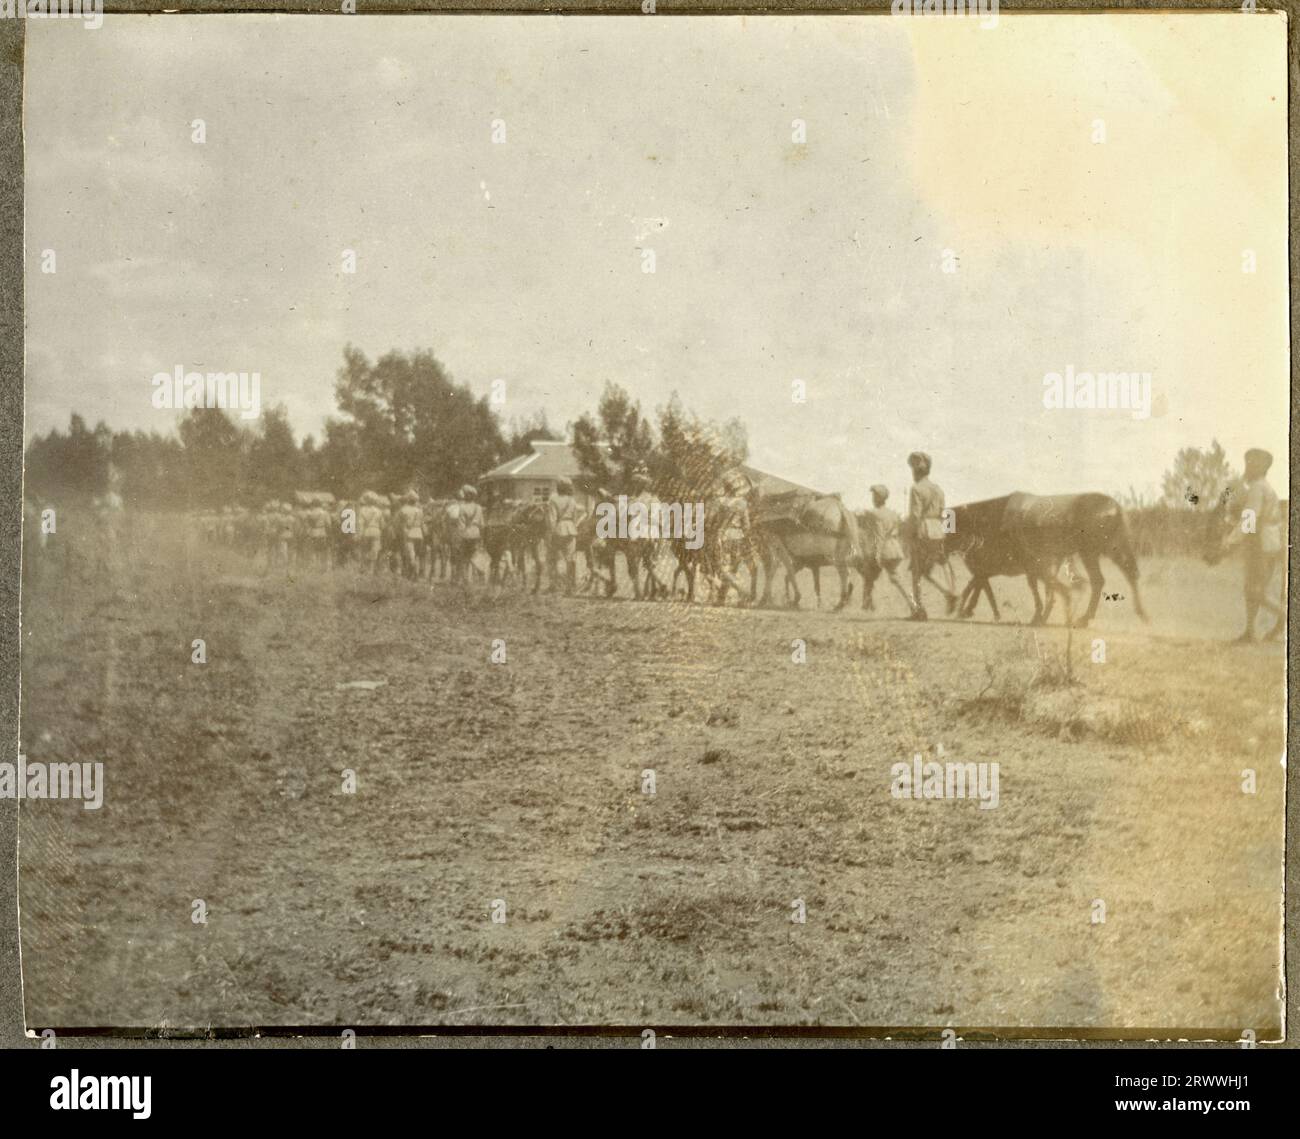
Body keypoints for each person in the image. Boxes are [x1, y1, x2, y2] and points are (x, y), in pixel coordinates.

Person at [1223, 448, 1283, 642]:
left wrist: (1229, 541)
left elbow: (1249, 520)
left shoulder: (1257, 488)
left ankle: (1285, 618)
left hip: (1260, 545)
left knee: (1256, 592)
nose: (1247, 466)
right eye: (1247, 462)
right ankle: (1250, 632)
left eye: (1251, 463)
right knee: (1252, 589)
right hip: (1269, 543)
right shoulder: (1265, 487)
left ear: (1261, 467)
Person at [906, 452, 957, 620]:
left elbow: (915, 515)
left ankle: (919, 611)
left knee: (916, 573)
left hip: (923, 532)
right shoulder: (938, 489)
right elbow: (946, 513)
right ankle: (949, 593)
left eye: (913, 469)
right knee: (927, 572)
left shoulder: (916, 488)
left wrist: (911, 535)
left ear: (916, 471)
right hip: (938, 532)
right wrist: (947, 534)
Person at [861, 484, 917, 615]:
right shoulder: (892, 513)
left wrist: (877, 554)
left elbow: (879, 535)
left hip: (883, 549)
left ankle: (868, 604)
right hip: (894, 547)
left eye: (874, 496)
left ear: (879, 498)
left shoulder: (873, 514)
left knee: (872, 575)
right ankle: (867, 604)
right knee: (880, 576)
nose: (872, 498)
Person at [547, 478, 580, 595]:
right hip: (571, 530)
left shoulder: (553, 499)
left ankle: (553, 585)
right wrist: (572, 526)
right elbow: (576, 517)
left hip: (558, 530)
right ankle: (570, 588)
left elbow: (552, 519)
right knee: (570, 559)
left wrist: (551, 534)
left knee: (552, 559)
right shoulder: (572, 500)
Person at [453, 485, 484, 584]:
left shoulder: (462, 508)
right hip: (476, 534)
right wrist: (481, 536)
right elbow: (482, 524)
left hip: (466, 535)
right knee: (475, 556)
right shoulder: (478, 507)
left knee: (464, 557)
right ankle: (481, 576)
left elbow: (461, 525)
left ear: (466, 496)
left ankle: (466, 579)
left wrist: (459, 536)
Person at [398, 490, 424, 579]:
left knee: (410, 554)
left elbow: (399, 523)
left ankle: (414, 573)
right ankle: (412, 573)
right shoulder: (420, 511)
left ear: (408, 500)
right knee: (416, 554)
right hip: (419, 533)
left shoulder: (403, 510)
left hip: (408, 533)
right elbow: (421, 522)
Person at [358, 492, 385, 574]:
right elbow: (382, 525)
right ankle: (371, 570)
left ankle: (363, 568)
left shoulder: (362, 510)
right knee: (374, 550)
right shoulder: (379, 511)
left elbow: (360, 523)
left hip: (366, 531)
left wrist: (360, 533)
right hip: (376, 531)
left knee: (364, 550)